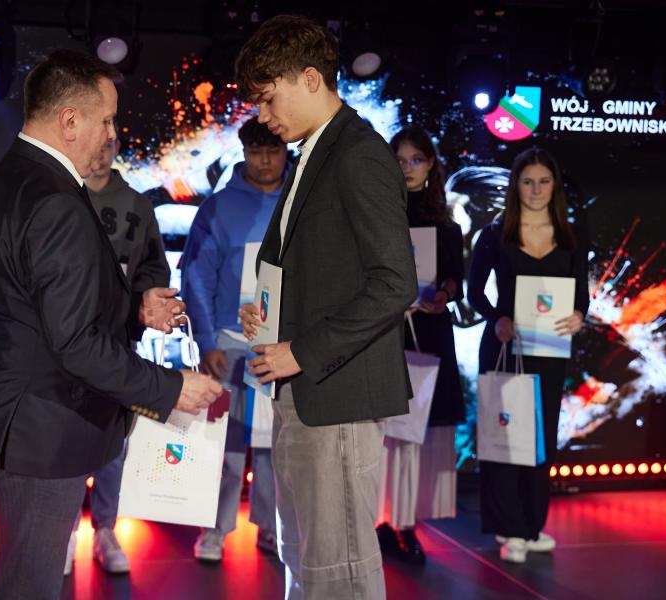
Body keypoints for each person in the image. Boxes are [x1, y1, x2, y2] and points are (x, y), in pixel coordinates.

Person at [0, 49, 222, 600]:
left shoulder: (14, 175)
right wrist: (171, 388)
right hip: (43, 428)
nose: (110, 134)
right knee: (27, 590)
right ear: (69, 120)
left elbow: (42, 303)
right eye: (105, 120)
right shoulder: (54, 198)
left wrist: (133, 309)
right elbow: (76, 343)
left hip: (26, 419)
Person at [236, 15, 418, 599]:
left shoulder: (358, 154)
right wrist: (265, 312)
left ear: (310, 78)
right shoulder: (315, 153)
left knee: (338, 570)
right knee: (309, 559)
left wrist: (302, 351)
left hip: (335, 393)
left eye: (269, 98)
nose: (263, 115)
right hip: (305, 391)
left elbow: (396, 283)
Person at [467, 147, 589, 564]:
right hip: (505, 348)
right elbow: (474, 293)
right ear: (515, 186)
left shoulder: (571, 234)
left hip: (549, 350)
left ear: (554, 186)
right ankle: (509, 527)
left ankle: (532, 525)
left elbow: (581, 294)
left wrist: (578, 316)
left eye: (544, 181)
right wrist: (498, 318)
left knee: (540, 440)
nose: (536, 190)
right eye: (527, 181)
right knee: (506, 438)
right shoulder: (495, 233)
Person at [62, 133, 172, 576]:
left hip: (119, 342)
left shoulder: (137, 205)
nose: (101, 151)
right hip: (66, 341)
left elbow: (155, 268)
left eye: (109, 144)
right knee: (67, 439)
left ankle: (105, 528)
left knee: (112, 440)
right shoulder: (61, 197)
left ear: (116, 148)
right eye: (96, 142)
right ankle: (66, 531)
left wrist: (143, 302)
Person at [181, 116, 287, 562]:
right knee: (220, 443)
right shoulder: (218, 208)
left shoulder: (301, 202)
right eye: (255, 152)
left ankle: (269, 526)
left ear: (286, 150)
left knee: (272, 443)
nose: (264, 161)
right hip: (227, 340)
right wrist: (207, 342)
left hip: (280, 345)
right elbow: (196, 275)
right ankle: (214, 529)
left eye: (273, 151)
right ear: (243, 153)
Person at [376, 127, 466, 564]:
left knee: (412, 435)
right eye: (400, 160)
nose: (408, 168)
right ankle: (375, 521)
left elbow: (455, 279)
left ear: (430, 164)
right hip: (381, 331)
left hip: (426, 333)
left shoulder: (445, 225)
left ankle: (405, 523)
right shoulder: (377, 214)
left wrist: (442, 295)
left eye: (416, 160)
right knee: (379, 433)